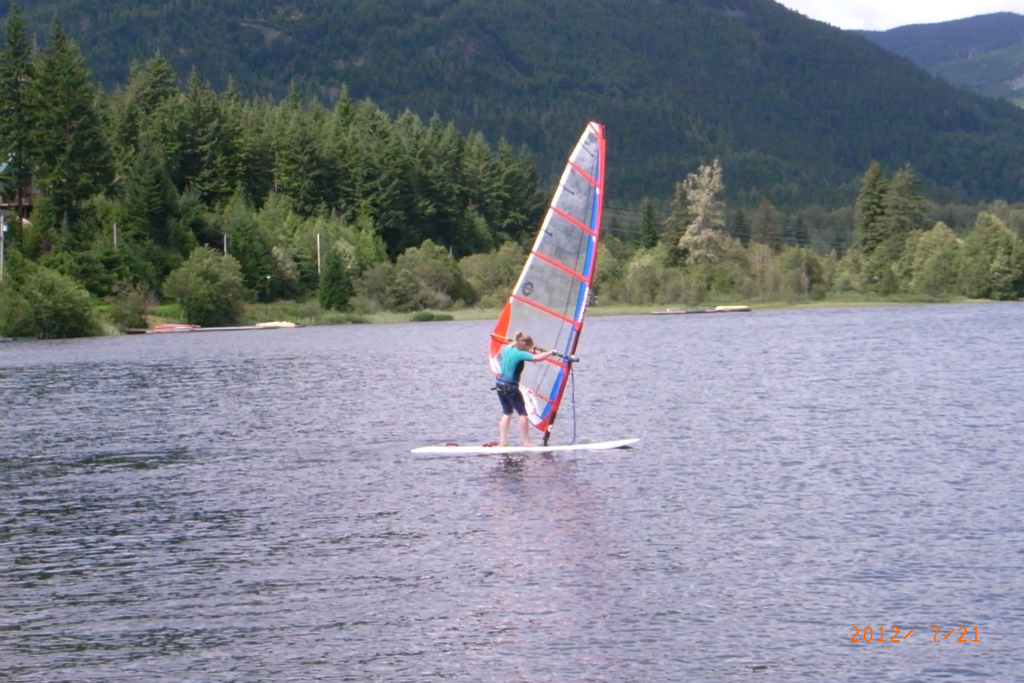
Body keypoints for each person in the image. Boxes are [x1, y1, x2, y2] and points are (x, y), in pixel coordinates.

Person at [495, 331, 556, 447]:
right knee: (522, 413)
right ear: (524, 345)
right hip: (510, 387)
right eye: (529, 347)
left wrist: (516, 337)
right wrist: (551, 352)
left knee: (507, 413)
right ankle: (526, 442)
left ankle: (503, 442)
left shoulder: (508, 348)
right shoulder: (520, 354)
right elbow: (538, 357)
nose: (529, 350)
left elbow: (514, 343)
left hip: (499, 384)